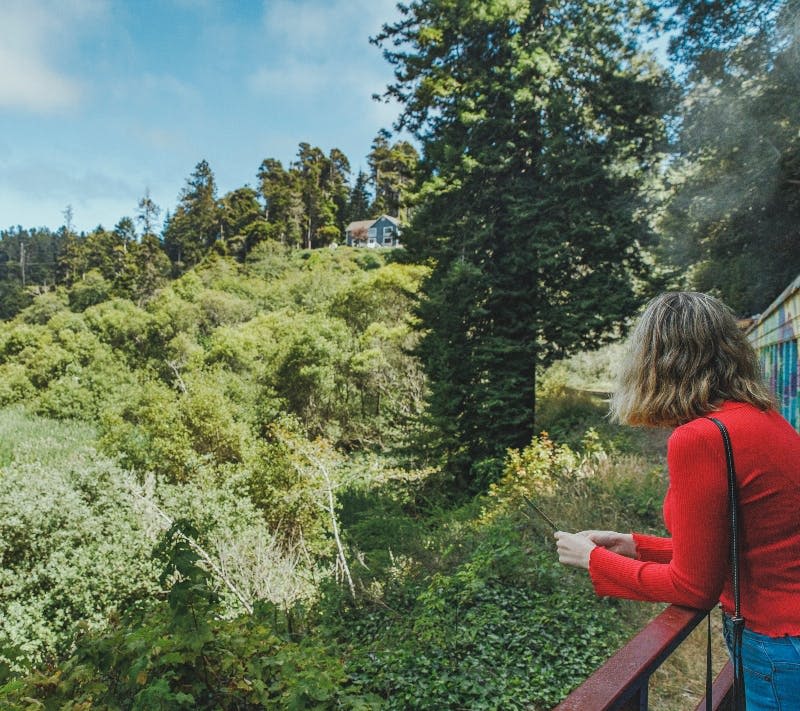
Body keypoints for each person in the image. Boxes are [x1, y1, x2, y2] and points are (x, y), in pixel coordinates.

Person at [554, 291, 800, 710]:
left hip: (778, 646)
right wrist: (636, 546)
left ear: (656, 362)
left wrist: (594, 560)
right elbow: (752, 544)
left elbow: (693, 587)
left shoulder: (700, 438)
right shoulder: (764, 418)